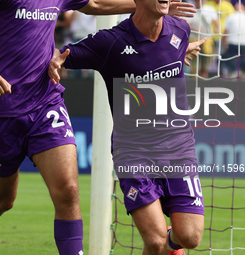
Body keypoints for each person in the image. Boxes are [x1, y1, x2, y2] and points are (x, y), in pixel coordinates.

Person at [0, 0, 197, 254]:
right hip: (0, 109)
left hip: (46, 102)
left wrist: (147, 7)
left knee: (68, 190)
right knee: (2, 199)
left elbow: (95, 4)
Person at [48, 0, 206, 254]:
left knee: (190, 237)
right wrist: (55, 61)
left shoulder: (180, 30)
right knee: (154, 242)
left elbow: (166, 51)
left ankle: (171, 240)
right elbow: (63, 55)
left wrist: (183, 49)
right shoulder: (110, 42)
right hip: (134, 151)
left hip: (179, 149)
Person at [222, 3, 245, 78]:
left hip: (233, 45)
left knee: (232, 69)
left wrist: (224, 44)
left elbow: (225, 32)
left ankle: (231, 84)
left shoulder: (230, 17)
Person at [187, 0, 218, 78]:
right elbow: (187, 25)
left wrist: (216, 30)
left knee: (205, 67)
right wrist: (196, 30)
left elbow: (216, 22)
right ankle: (193, 85)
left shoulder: (210, 9)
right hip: (194, 41)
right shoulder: (190, 9)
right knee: (194, 66)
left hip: (207, 41)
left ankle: (204, 83)